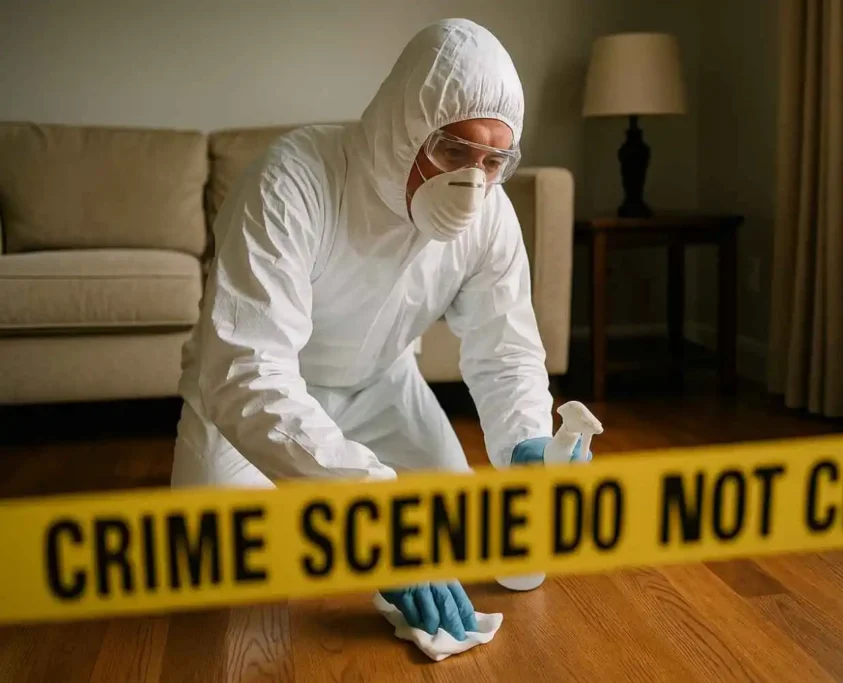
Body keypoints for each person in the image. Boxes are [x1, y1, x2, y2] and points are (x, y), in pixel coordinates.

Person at [170, 18, 586, 641]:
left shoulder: (492, 214)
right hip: (248, 405)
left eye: (493, 160)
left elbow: (504, 348)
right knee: (219, 575)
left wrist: (527, 439)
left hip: (382, 388)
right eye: (453, 150)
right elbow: (247, 372)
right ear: (404, 127)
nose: (472, 183)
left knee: (459, 540)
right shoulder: (292, 182)